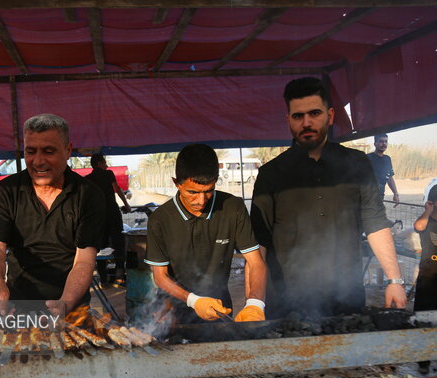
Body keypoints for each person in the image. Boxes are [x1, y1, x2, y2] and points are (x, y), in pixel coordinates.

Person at [250, 77, 407, 319]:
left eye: (314, 113)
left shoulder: (357, 164)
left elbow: (375, 223)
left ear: (330, 116)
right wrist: (254, 302)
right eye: (298, 116)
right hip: (286, 303)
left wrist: (394, 279)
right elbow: (258, 244)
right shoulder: (271, 174)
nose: (307, 122)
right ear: (288, 120)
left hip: (346, 298)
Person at [0, 114, 106, 319]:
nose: (38, 161)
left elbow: (84, 259)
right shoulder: (4, 192)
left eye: (49, 151)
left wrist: (65, 303)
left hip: (71, 305)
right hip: (17, 306)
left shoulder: (88, 195)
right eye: (31, 152)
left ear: (67, 150)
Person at [145, 144, 268, 324]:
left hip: (220, 308)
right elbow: (160, 276)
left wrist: (255, 304)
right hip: (174, 310)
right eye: (192, 192)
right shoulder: (160, 219)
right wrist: (195, 301)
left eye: (208, 191)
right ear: (176, 183)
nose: (201, 200)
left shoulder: (232, 208)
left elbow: (256, 262)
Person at [85, 153, 131, 288]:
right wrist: (126, 204)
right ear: (99, 163)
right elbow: (117, 189)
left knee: (101, 246)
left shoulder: (88, 179)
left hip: (97, 217)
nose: (106, 165)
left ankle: (104, 280)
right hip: (112, 212)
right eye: (104, 162)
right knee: (118, 243)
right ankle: (119, 278)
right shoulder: (108, 174)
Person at [367, 133, 400, 205]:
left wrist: (395, 194)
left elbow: (390, 178)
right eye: (381, 141)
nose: (384, 144)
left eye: (386, 141)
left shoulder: (387, 159)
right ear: (375, 144)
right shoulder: (368, 158)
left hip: (380, 196)